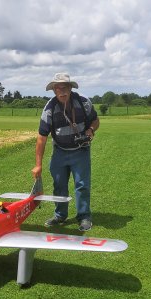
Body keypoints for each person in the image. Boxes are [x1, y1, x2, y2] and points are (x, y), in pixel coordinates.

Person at [31, 73, 99, 231]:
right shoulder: (49, 108)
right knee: (59, 185)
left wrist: (90, 130)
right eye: (57, 88)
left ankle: (84, 216)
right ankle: (60, 215)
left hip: (81, 151)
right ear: (53, 90)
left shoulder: (83, 102)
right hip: (59, 152)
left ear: (70, 88)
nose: (61, 91)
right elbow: (42, 137)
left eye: (64, 87)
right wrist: (38, 165)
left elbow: (96, 121)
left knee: (82, 185)